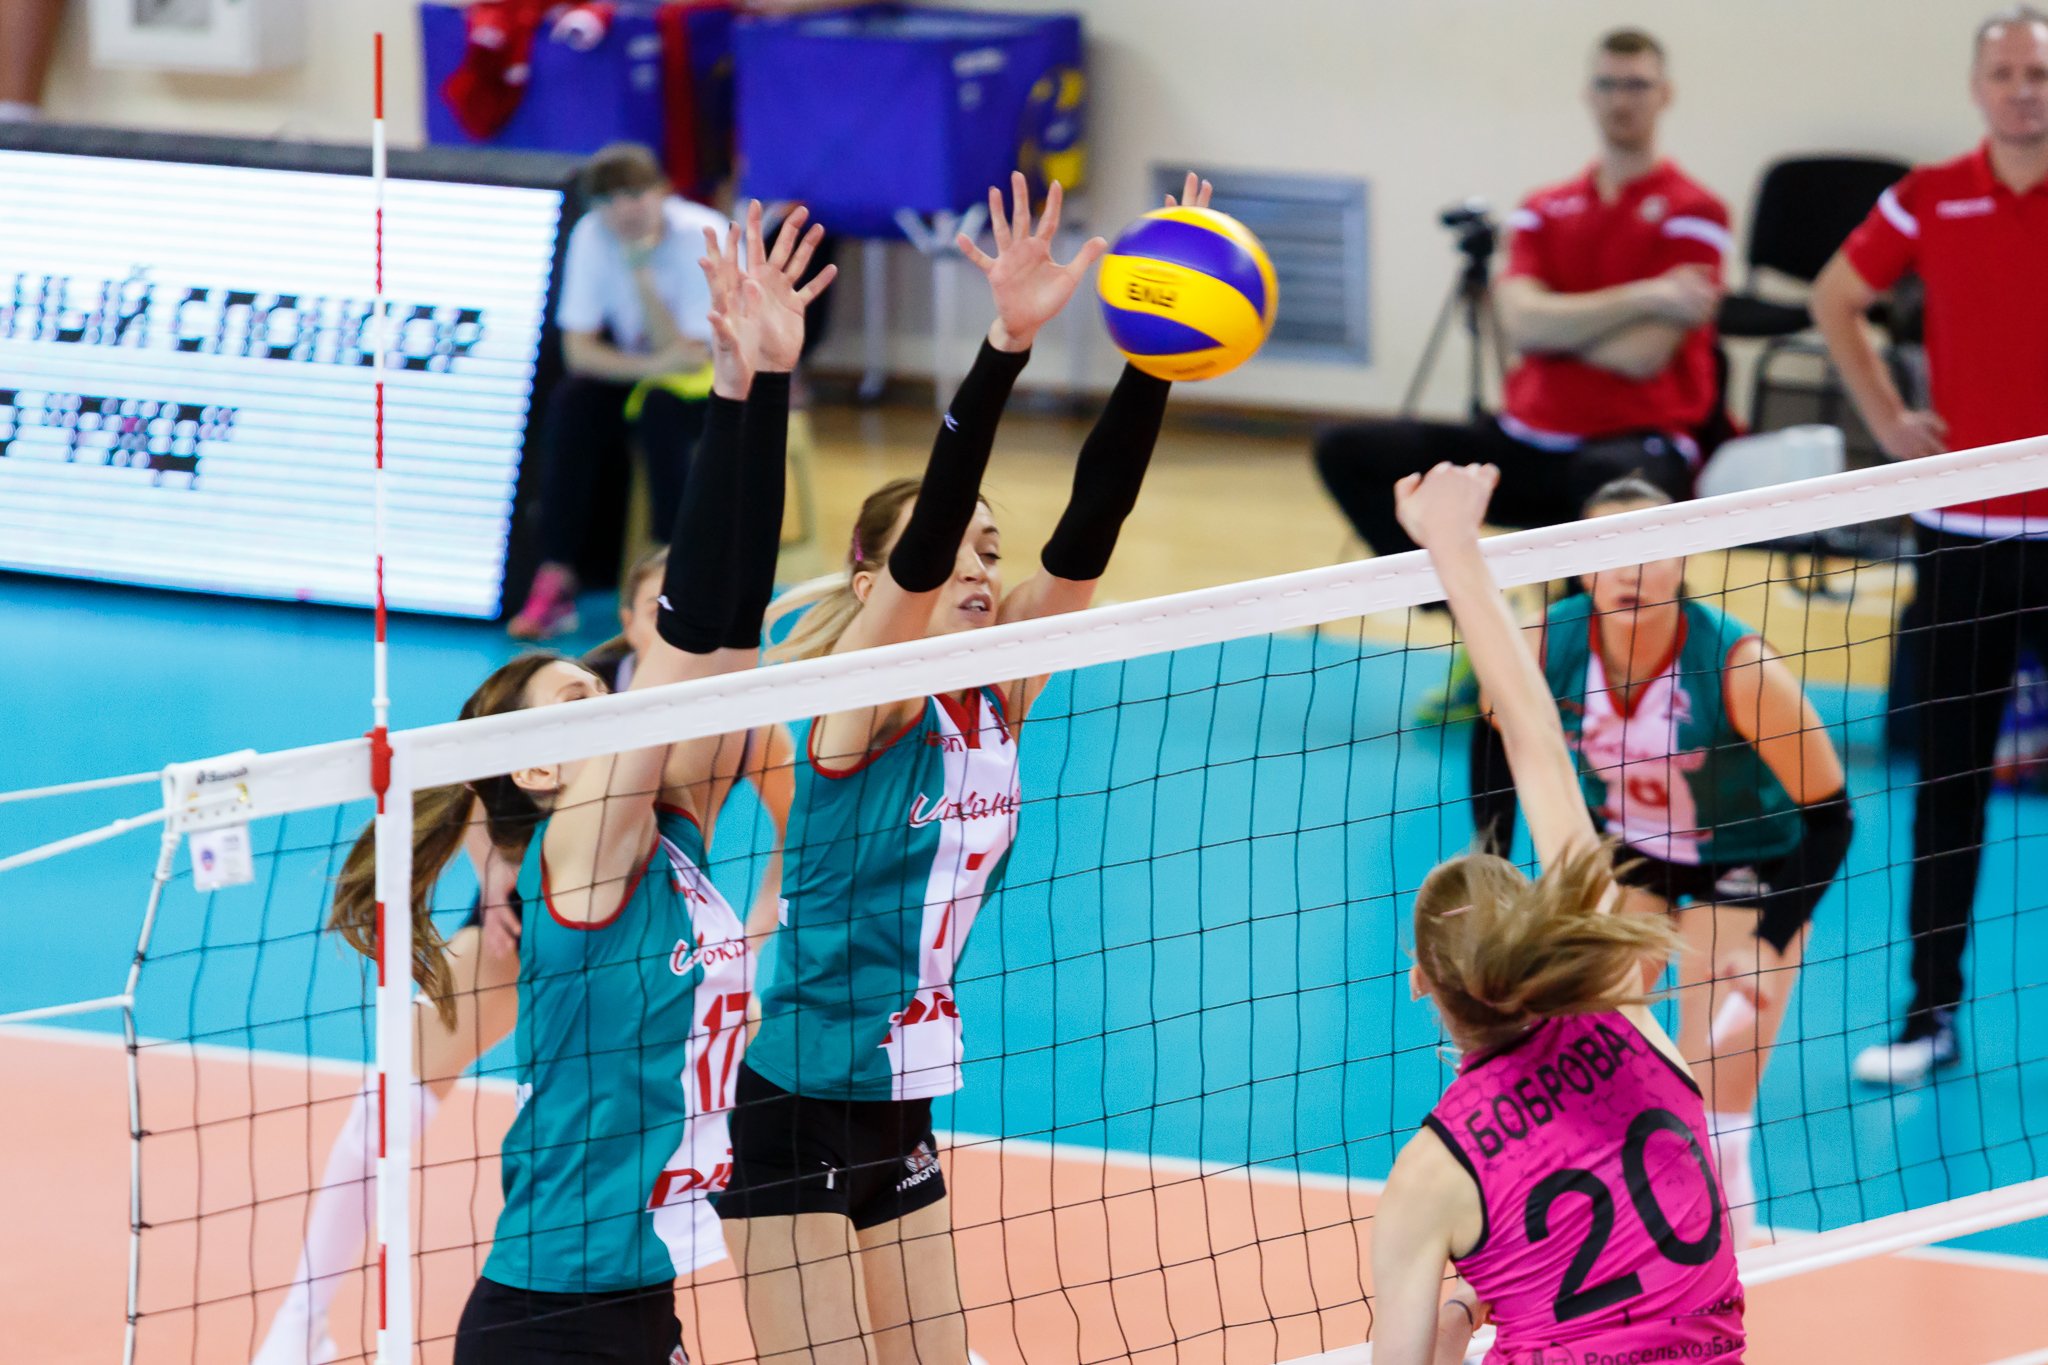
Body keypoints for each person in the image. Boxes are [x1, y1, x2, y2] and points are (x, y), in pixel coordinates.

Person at [321, 204, 832, 1363]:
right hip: (548, 1323)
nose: (603, 699)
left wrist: (760, 382)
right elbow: (686, 632)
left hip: (638, 1304)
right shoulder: (578, 861)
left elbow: (728, 627)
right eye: (574, 701)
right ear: (538, 769)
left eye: (599, 689)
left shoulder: (672, 839)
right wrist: (730, 397)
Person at [714, 172, 1202, 1365]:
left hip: (905, 1098)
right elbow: (926, 541)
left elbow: (1086, 532)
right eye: (958, 554)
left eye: (993, 549)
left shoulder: (996, 695)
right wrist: (1003, 348)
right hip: (798, 1100)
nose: (980, 570)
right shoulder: (858, 702)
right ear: (877, 579)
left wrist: (1155, 356)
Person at [250, 543, 791, 1365]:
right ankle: (303, 1315)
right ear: (631, 618)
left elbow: (799, 825)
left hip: (649, 907)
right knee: (392, 1093)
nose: (668, 623)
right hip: (536, 896)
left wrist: (750, 937)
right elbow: (476, 778)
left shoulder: (699, 715)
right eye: (656, 607)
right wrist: (497, 876)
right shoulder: (571, 688)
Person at [1369, 462, 1744, 1365]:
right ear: (1543, 931)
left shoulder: (1431, 1170)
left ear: (1423, 982)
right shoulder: (1619, 1001)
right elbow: (1538, 738)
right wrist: (1455, 543)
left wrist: (1454, 1324)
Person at [1472, 475, 1853, 1248]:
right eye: (1607, 550)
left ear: (1684, 559)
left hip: (1748, 864)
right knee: (1589, 1053)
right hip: (1629, 856)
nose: (1630, 570)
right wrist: (1495, 873)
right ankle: (1601, 1232)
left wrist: (1772, 937)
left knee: (1716, 1093)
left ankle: (1729, 1238)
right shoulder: (1545, 643)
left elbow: (1832, 820)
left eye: (1650, 550)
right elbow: (1491, 740)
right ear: (1580, 566)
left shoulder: (1740, 668)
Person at [1811, 5, 2048, 1086]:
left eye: (2037, 72)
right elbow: (1836, 296)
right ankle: (1928, 1014)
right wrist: (1888, 420)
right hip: (1962, 535)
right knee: (1948, 783)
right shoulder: (1927, 195)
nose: (2022, 90)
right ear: (1976, 86)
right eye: (2005, 72)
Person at [1314, 28, 1726, 568]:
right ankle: (1459, 601)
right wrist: (1647, 295)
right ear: (1588, 94)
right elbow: (1520, 327)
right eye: (1607, 85)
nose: (1620, 100)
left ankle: (1584, 616)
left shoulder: (1697, 212)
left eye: (1636, 85)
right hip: (1524, 442)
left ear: (1665, 94)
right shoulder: (1542, 208)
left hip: (1634, 444)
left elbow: (1641, 354)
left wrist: (1554, 326)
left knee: (1604, 496)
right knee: (1347, 450)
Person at [509, 142, 731, 640]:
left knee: (661, 410)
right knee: (573, 403)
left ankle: (675, 575)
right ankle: (558, 573)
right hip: (647, 373)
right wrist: (652, 365)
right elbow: (580, 353)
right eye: (607, 200)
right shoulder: (591, 234)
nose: (622, 210)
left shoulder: (703, 234)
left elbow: (690, 355)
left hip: (712, 382)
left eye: (634, 194)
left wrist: (641, 274)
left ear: (662, 191)